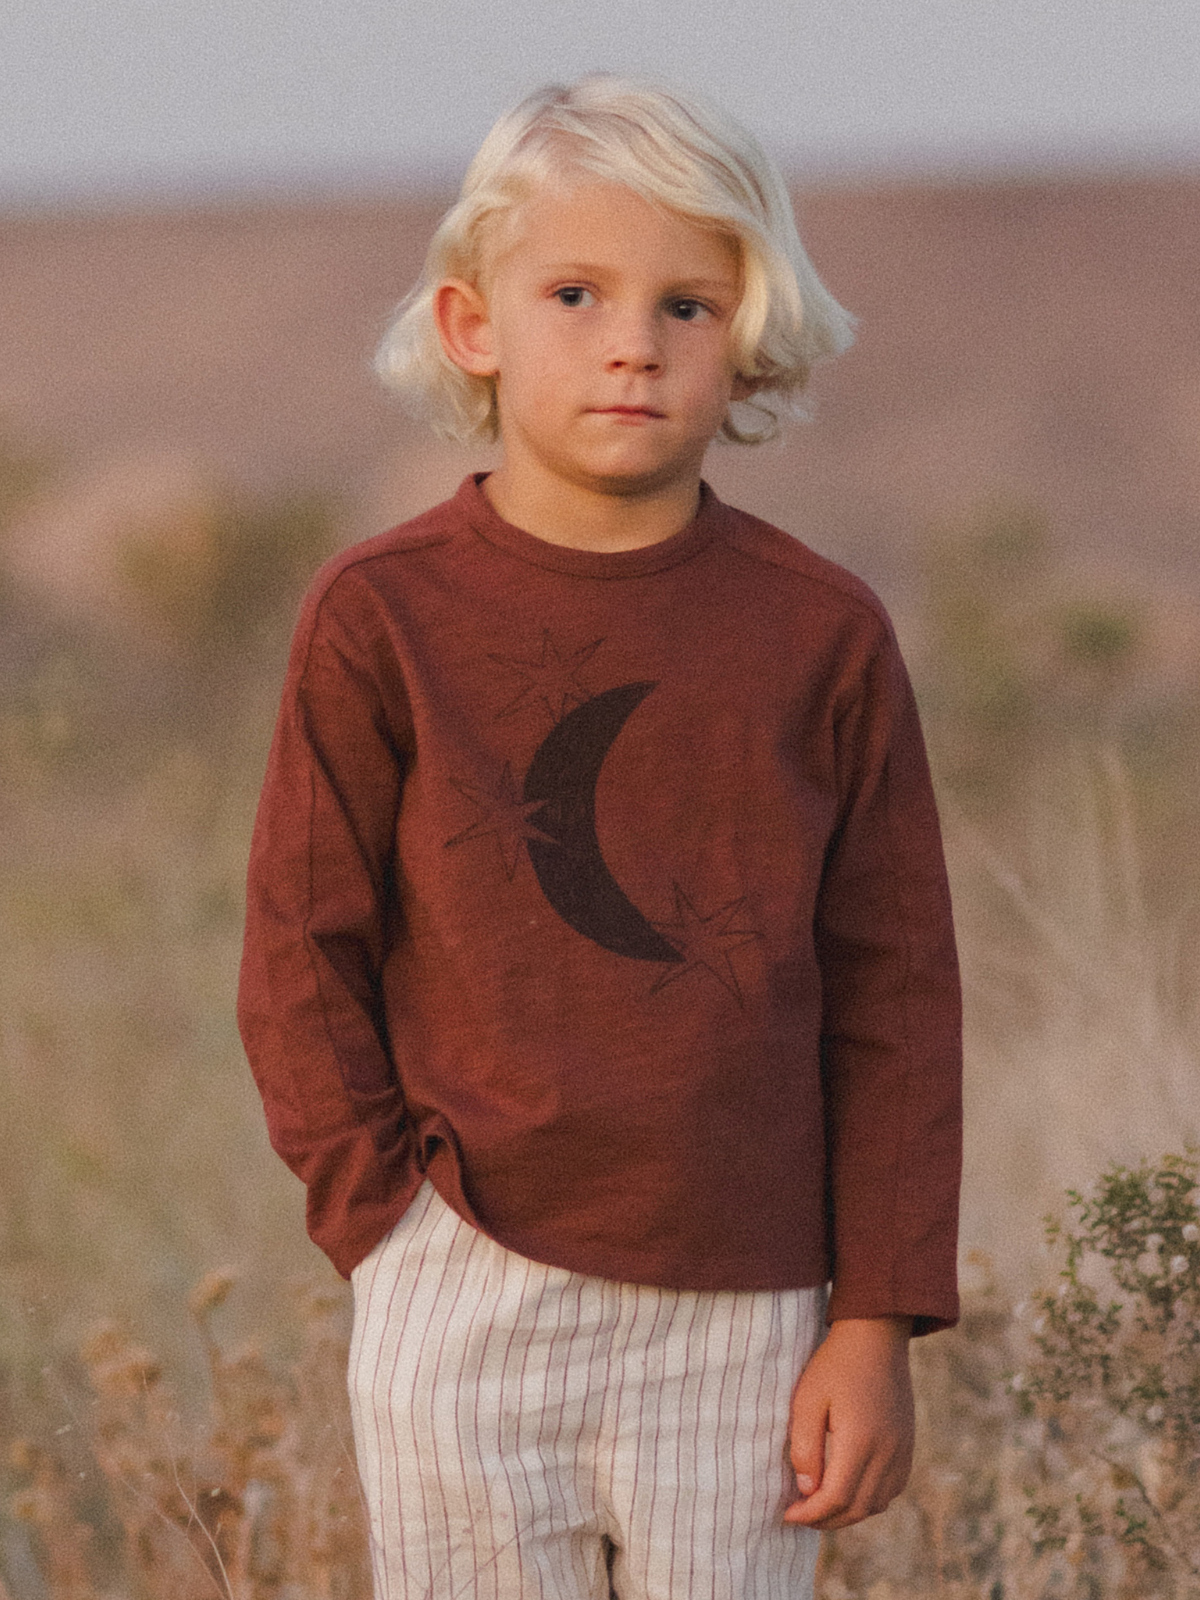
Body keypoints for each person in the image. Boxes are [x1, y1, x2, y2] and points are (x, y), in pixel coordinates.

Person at [239, 72, 962, 1600]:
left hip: (752, 1309)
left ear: (749, 334)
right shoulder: (384, 617)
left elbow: (897, 994)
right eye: (576, 291)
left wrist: (875, 1316)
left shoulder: (819, 634)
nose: (634, 340)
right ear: (473, 325)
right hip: (466, 1277)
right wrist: (384, 1225)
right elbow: (304, 945)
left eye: (689, 305)